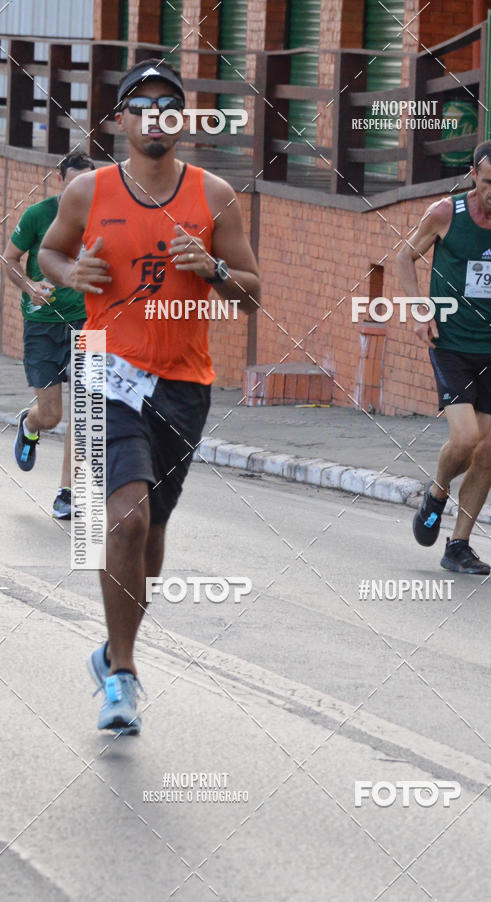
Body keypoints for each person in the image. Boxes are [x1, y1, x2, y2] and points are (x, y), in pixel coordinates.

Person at [38, 59, 260, 734]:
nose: (156, 115)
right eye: (142, 104)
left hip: (184, 387)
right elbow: (49, 253)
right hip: (108, 375)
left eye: (169, 104)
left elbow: (253, 295)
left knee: (152, 538)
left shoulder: (216, 194)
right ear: (122, 120)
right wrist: (72, 270)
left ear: (181, 120)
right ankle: (125, 676)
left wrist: (216, 269)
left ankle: (109, 651)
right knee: (126, 520)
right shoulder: (89, 193)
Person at [398, 140, 491, 574]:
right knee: (464, 439)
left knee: (487, 452)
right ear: (474, 175)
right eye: (488, 182)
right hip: (452, 343)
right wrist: (419, 308)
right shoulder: (446, 214)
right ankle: (438, 492)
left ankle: (458, 545)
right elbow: (404, 257)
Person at [5, 151, 95, 518]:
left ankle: (67, 494)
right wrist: (29, 287)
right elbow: (8, 258)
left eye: (88, 184)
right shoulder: (39, 215)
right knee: (52, 414)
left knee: (86, 411)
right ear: (60, 180)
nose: (82, 191)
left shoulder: (104, 217)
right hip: (43, 326)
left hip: (89, 325)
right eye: (74, 184)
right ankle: (30, 424)